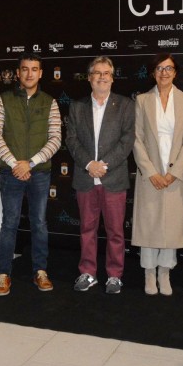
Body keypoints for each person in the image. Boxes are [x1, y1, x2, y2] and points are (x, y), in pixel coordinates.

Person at [0, 52, 62, 296]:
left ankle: (40, 271)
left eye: (34, 69)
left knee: (39, 224)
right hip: (11, 173)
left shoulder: (50, 102)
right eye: (25, 69)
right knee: (9, 223)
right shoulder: (3, 100)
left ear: (41, 73)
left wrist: (29, 163)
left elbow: (55, 139)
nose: (29, 73)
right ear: (18, 73)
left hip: (39, 173)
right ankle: (3, 274)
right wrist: (14, 163)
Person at [66, 56, 135, 294]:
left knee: (116, 231)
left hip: (113, 178)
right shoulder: (77, 107)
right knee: (87, 229)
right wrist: (88, 164)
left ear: (112, 78)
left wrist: (103, 165)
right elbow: (71, 140)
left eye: (107, 73)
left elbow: (127, 140)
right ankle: (88, 272)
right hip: (86, 178)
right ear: (89, 78)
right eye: (97, 73)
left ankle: (114, 275)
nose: (102, 77)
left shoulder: (125, 105)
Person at [132, 54, 183, 296]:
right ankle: (149, 272)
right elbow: (136, 139)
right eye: (159, 68)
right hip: (150, 173)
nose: (164, 73)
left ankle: (165, 271)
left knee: (171, 224)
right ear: (153, 72)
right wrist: (150, 171)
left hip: (176, 174)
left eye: (169, 68)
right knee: (149, 223)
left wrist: (174, 172)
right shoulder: (142, 100)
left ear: (176, 72)